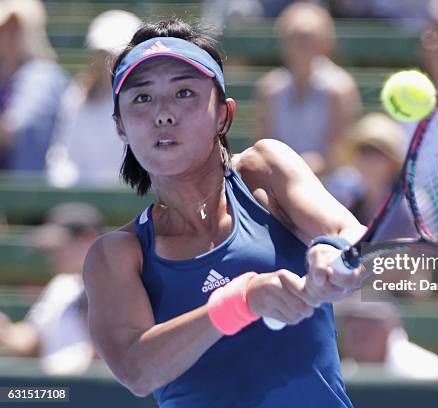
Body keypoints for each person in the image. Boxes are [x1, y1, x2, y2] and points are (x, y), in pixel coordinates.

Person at [84, 19, 366, 407]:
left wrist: (333, 251)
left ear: (224, 114)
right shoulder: (115, 255)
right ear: (120, 125)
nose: (163, 114)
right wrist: (241, 301)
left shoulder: (264, 170)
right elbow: (136, 370)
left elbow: (349, 233)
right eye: (142, 98)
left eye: (184, 92)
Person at [255, 2, 361, 175]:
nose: (299, 44)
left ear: (326, 42)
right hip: (280, 177)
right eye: (292, 37)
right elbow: (264, 144)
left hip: (329, 181)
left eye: (307, 37)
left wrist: (302, 170)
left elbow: (340, 152)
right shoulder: (269, 88)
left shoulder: (341, 88)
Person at [0, 202, 102, 375]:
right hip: (54, 392)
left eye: (59, 245)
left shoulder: (119, 286)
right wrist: (5, 332)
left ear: (88, 239)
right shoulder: (61, 284)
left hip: (95, 395)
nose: (52, 254)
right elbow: (32, 339)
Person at [46, 10, 142, 187]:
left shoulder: (146, 99)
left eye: (116, 54)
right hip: (80, 200)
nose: (108, 61)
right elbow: (63, 157)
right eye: (103, 54)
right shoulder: (76, 96)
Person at [0, 0, 68, 171]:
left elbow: (15, 131)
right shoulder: (6, 76)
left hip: (28, 192)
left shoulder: (41, 76)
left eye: (8, 28)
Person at [336, 296, 438, 379]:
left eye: (370, 324)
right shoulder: (344, 372)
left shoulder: (424, 367)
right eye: (353, 331)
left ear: (389, 328)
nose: (357, 335)